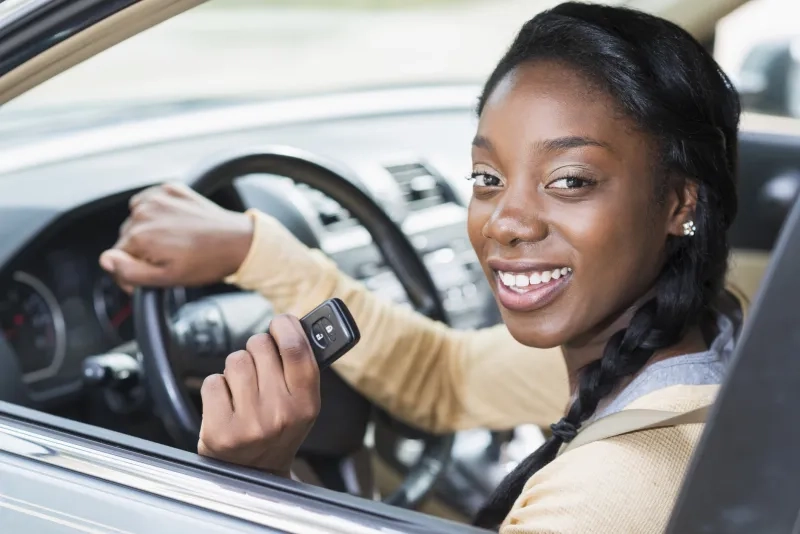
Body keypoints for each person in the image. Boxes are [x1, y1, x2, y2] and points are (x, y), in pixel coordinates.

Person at [99, 2, 742, 532]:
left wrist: (263, 486)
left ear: (678, 203)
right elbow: (446, 378)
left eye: (569, 180)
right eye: (487, 177)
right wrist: (249, 249)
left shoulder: (602, 497)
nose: (506, 222)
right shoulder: (689, 348)